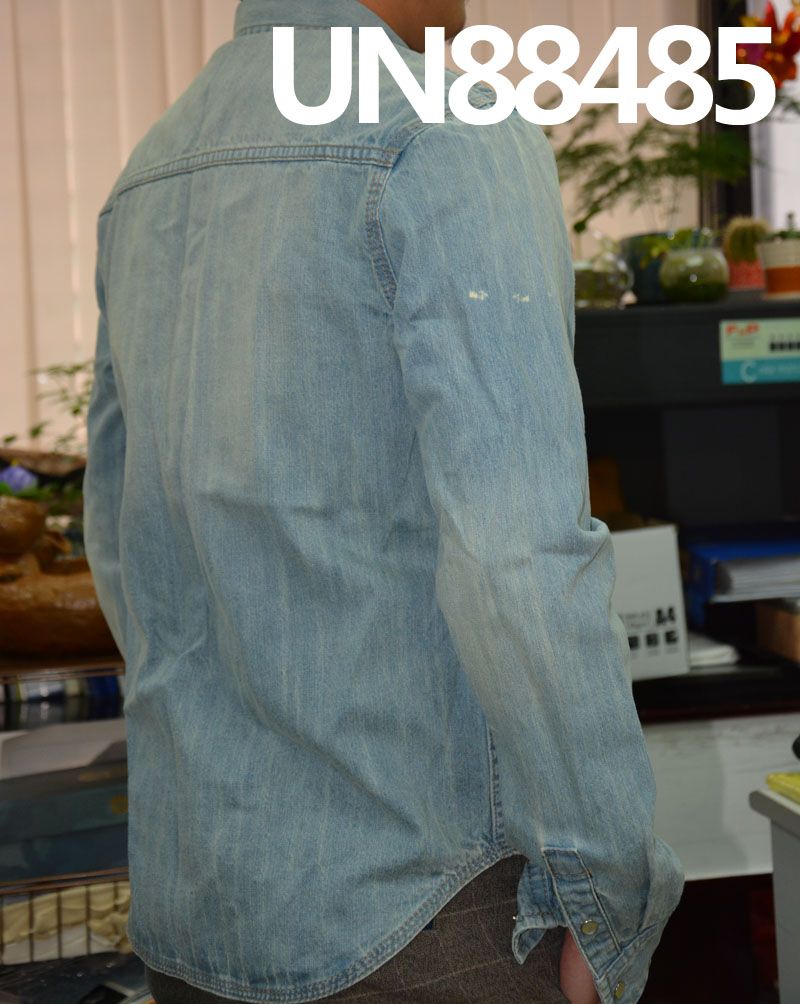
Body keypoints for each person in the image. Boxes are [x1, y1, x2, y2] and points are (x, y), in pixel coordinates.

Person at [82, 1, 684, 1002]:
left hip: (200, 913)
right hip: (421, 913)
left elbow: (118, 534)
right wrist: (606, 892)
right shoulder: (440, 133)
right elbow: (520, 559)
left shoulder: (152, 166)